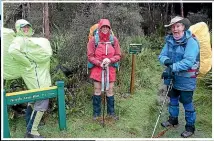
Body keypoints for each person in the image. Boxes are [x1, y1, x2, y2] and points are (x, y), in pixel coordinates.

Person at [7, 19, 52, 138]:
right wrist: (27, 63)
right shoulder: (19, 39)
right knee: (43, 98)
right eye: (23, 27)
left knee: (34, 100)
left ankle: (30, 124)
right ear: (18, 29)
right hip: (35, 76)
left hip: (36, 75)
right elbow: (12, 51)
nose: (26, 29)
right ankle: (32, 131)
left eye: (27, 27)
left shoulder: (25, 39)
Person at [158, 16, 199, 138]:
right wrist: (167, 62)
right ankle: (173, 120)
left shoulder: (191, 42)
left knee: (187, 102)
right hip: (172, 76)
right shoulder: (169, 41)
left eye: (177, 26)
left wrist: (172, 67)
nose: (175, 29)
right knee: (173, 98)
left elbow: (188, 61)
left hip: (187, 78)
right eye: (173, 27)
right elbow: (161, 56)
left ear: (183, 27)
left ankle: (190, 127)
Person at [87, 19, 121, 121]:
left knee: (109, 90)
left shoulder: (114, 40)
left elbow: (118, 55)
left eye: (107, 27)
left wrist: (110, 60)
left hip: (110, 69)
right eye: (103, 27)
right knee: (97, 90)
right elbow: (90, 56)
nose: (105, 29)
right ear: (100, 28)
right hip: (97, 69)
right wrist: (99, 63)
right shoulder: (94, 40)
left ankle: (111, 113)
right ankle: (96, 114)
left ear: (109, 28)